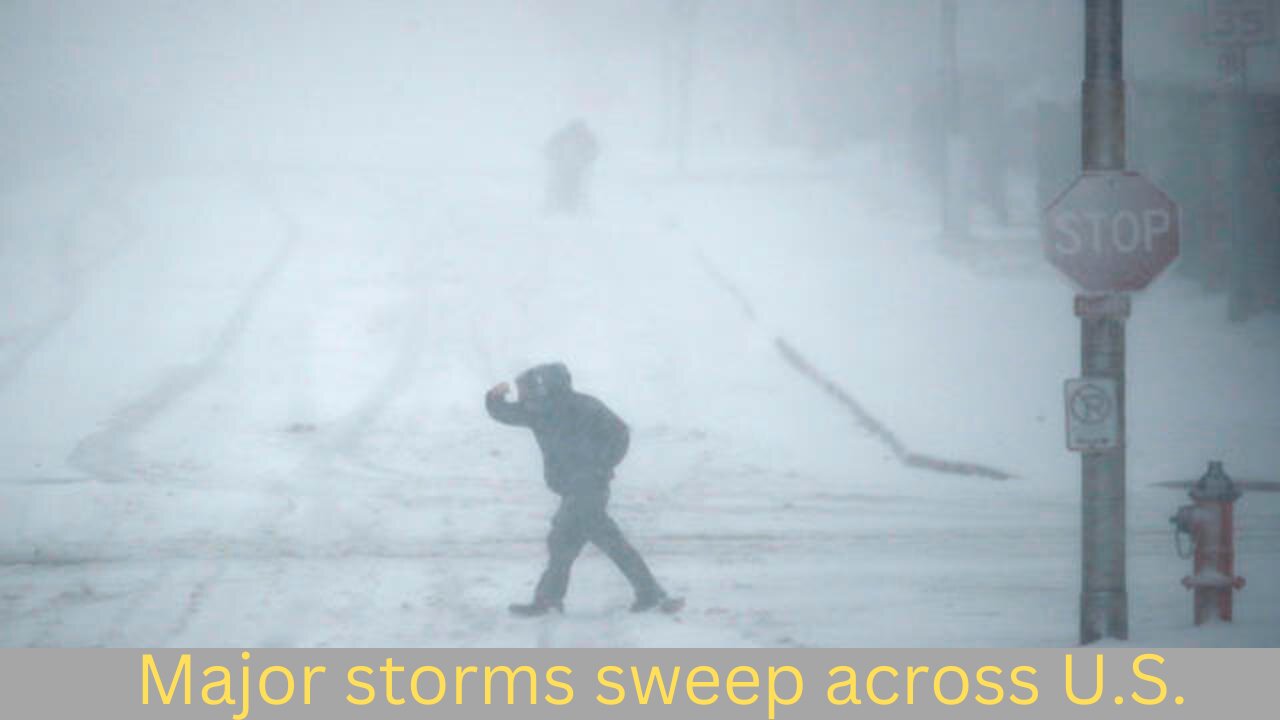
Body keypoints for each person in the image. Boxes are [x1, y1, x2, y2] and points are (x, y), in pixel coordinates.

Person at [485, 362, 678, 616]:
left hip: (588, 489)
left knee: (571, 542)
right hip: (577, 490)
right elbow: (506, 414)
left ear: (546, 385)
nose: (525, 394)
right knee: (578, 544)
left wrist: (600, 465)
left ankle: (549, 600)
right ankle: (648, 593)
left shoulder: (581, 407)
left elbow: (620, 433)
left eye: (529, 387)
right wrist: (494, 398)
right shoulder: (541, 409)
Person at [543, 120, 599, 214]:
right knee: (562, 186)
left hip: (573, 167)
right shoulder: (566, 136)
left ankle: (567, 207)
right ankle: (559, 207)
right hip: (565, 166)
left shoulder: (581, 137)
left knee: (569, 186)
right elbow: (549, 147)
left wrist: (587, 159)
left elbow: (594, 149)